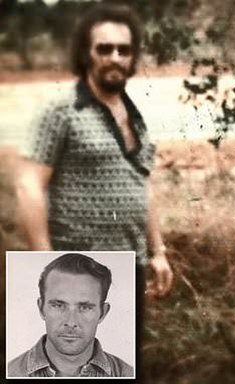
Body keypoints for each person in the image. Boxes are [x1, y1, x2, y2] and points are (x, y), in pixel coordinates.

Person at [14, 3, 172, 297]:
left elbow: (142, 185)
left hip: (130, 266)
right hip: (75, 270)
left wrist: (158, 251)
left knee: (125, 346)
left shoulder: (136, 117)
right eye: (105, 49)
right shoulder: (61, 110)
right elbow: (28, 185)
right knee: (68, 345)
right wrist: (45, 262)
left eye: (124, 50)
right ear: (86, 53)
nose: (115, 58)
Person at [7, 253, 134, 377]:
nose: (71, 322)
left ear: (103, 313)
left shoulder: (128, 375)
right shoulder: (10, 373)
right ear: (41, 308)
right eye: (58, 305)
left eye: (85, 307)